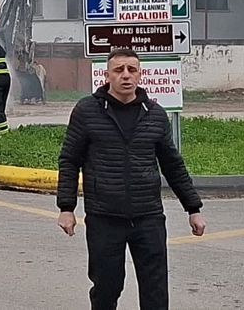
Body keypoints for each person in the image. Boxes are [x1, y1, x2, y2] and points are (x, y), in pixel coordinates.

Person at [56, 47, 206, 310]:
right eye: (119, 70)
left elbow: (172, 164)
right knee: (106, 289)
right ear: (107, 75)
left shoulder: (155, 114)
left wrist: (193, 208)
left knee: (155, 291)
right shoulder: (87, 111)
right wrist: (66, 208)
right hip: (104, 218)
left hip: (148, 217)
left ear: (139, 74)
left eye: (132, 70)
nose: (126, 75)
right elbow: (69, 160)